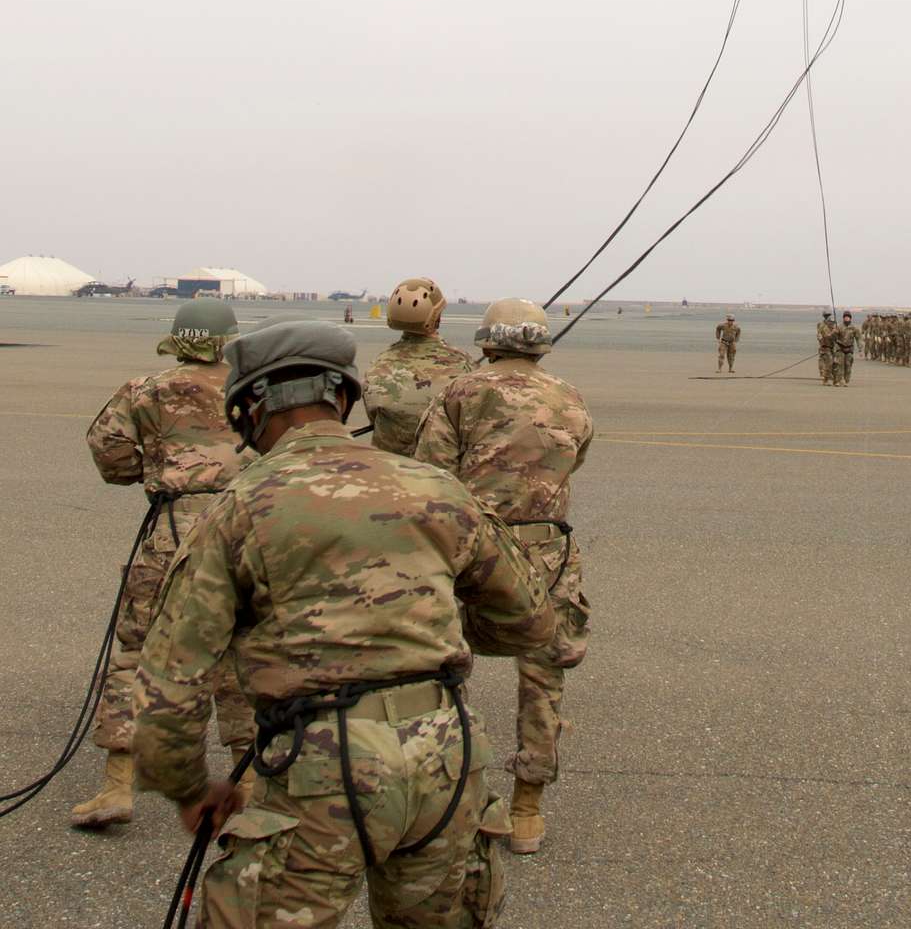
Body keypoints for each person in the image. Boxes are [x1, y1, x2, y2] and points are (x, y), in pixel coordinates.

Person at [134, 319, 553, 929]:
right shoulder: (438, 488)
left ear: (250, 409)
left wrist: (191, 788)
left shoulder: (240, 507)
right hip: (447, 756)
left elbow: (170, 685)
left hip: (322, 767)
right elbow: (530, 621)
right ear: (344, 396)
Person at [414, 299, 592, 857]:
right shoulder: (569, 396)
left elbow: (431, 473)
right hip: (547, 549)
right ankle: (527, 809)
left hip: (472, 547)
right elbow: (574, 457)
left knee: (439, 665)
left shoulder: (460, 392)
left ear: (487, 341)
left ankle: (452, 793)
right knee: (543, 675)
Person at [71, 299, 253, 830]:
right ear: (229, 340)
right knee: (243, 650)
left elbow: (111, 455)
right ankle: (248, 784)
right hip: (244, 528)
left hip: (172, 532)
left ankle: (118, 785)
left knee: (137, 650)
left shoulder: (144, 390)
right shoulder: (252, 389)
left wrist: (157, 467)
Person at [361, 277, 473, 456]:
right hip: (443, 474)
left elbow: (374, 415)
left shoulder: (378, 367)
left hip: (390, 471)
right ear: (436, 316)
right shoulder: (463, 364)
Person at [835, 311, 861, 386]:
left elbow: (858, 338)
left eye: (848, 317)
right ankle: (840, 380)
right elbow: (834, 337)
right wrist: (834, 332)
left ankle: (846, 380)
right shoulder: (839, 327)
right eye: (845, 317)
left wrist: (860, 349)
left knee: (848, 365)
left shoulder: (854, 328)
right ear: (843, 318)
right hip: (840, 348)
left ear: (850, 318)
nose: (846, 318)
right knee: (840, 365)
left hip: (849, 349)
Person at [816, 310, 837, 384]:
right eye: (826, 315)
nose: (827, 317)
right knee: (826, 361)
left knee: (833, 362)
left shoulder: (833, 325)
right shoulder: (820, 325)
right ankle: (825, 377)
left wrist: (834, 331)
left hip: (832, 346)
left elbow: (836, 335)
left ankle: (830, 376)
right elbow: (819, 335)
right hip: (824, 346)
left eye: (828, 315)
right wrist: (821, 341)